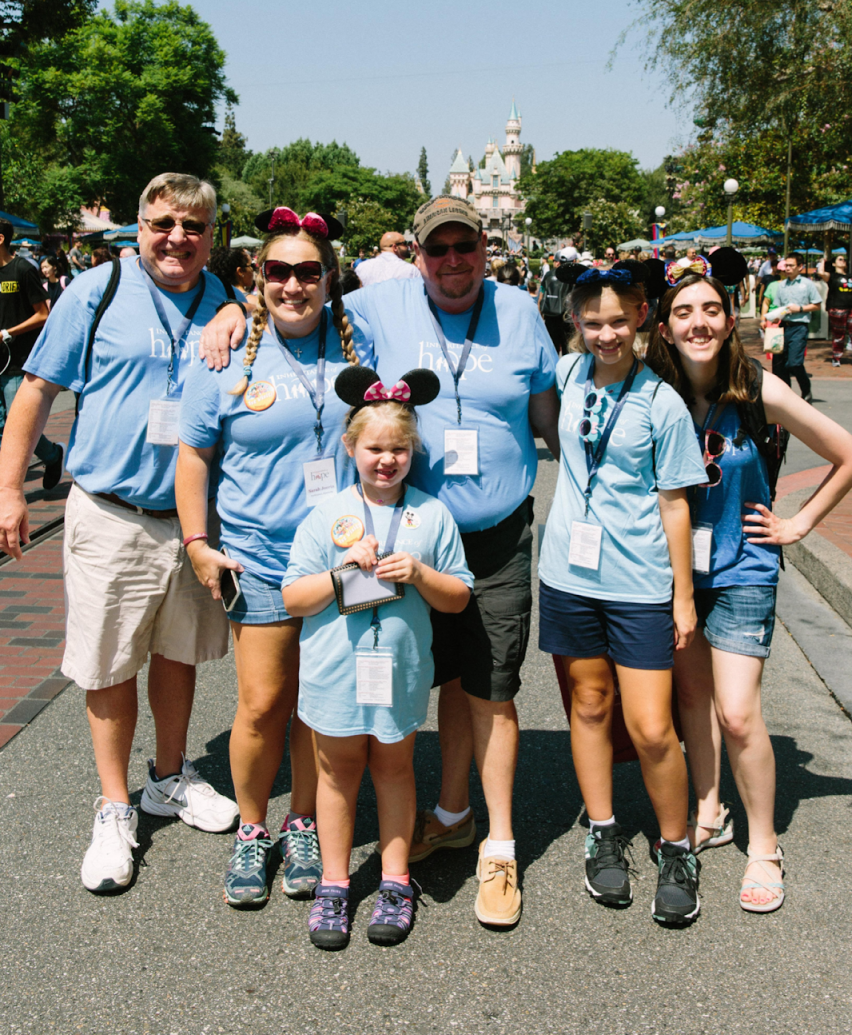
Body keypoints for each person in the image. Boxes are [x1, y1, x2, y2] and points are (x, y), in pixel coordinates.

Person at [198, 194, 561, 928]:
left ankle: (484, 835)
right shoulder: (378, 303)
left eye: (466, 246)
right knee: (375, 680)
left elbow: (554, 413)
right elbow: (295, 301)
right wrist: (230, 307)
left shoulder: (521, 310)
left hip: (489, 536)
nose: (452, 260)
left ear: (485, 247)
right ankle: (291, 832)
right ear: (419, 254)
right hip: (400, 529)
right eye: (438, 248)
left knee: (483, 687)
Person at [0, 173, 241, 894]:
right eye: (163, 223)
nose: (177, 239)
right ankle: (113, 805)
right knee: (108, 662)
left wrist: (242, 308)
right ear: (139, 226)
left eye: (193, 227)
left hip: (193, 523)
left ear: (210, 236)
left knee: (177, 653)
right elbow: (38, 389)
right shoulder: (95, 292)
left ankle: (168, 776)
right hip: (113, 511)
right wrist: (9, 487)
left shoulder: (222, 303)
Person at [646, 264, 852, 911]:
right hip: (678, 573)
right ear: (666, 327)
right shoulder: (657, 389)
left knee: (737, 713)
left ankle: (764, 845)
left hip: (743, 570)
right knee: (695, 703)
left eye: (710, 310)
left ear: (729, 320)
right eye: (684, 313)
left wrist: (800, 523)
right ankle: (710, 808)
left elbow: (847, 452)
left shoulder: (755, 386)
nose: (698, 323)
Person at [176, 206, 358, 907]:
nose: (292, 285)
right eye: (276, 271)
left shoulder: (357, 340)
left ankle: (303, 821)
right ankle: (254, 830)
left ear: (328, 279)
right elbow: (193, 457)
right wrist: (198, 544)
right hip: (258, 559)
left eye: (307, 271)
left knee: (318, 704)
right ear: (256, 277)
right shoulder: (227, 354)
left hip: (342, 562)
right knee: (260, 705)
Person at [538, 262, 708, 925]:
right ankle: (603, 831)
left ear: (641, 318)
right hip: (569, 579)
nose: (605, 333)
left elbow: (675, 506)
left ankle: (676, 845)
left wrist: (683, 598)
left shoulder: (660, 402)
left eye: (618, 320)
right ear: (576, 321)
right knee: (588, 704)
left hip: (638, 584)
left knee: (651, 728)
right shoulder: (566, 374)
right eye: (593, 321)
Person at [282, 369, 473, 949]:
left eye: (398, 449)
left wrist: (418, 573)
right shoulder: (325, 516)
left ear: (413, 449)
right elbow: (294, 597)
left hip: (399, 671)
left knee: (394, 769)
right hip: (336, 672)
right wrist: (343, 573)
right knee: (336, 776)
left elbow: (460, 596)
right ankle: (336, 886)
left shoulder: (432, 515)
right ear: (350, 448)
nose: (386, 460)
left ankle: (395, 880)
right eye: (374, 449)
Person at [0, 220, 63, 489]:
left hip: (18, 361)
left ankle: (51, 457)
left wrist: (8, 332)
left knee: (20, 426)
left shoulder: (23, 269)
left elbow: (42, 314)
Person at [760, 253, 821, 402]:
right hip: (784, 326)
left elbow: (817, 305)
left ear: (800, 267)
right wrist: (772, 317)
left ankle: (806, 389)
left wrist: (799, 309)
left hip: (800, 326)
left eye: (791, 265)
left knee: (794, 362)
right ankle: (786, 396)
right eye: (786, 265)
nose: (787, 268)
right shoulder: (781, 286)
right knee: (779, 364)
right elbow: (779, 306)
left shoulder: (807, 284)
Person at [818, 254, 852, 366]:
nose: (843, 261)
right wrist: (823, 261)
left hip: (850, 308)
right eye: (840, 259)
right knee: (839, 334)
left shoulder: (850, 276)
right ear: (834, 263)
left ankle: (849, 343)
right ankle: (836, 358)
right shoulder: (832, 276)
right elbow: (821, 273)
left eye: (844, 260)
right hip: (837, 307)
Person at [355, 232, 420, 287]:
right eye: (404, 243)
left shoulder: (361, 268)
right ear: (395, 247)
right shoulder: (411, 270)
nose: (407, 247)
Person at [208, 245, 260, 312]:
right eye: (251, 266)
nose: (252, 270)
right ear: (240, 271)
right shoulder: (255, 303)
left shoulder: (213, 300)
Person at [538, 257, 571, 355]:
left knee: (552, 347)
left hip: (549, 315)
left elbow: (541, 296)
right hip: (565, 316)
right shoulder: (569, 276)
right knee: (566, 347)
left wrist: (540, 313)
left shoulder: (548, 275)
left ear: (557, 263)